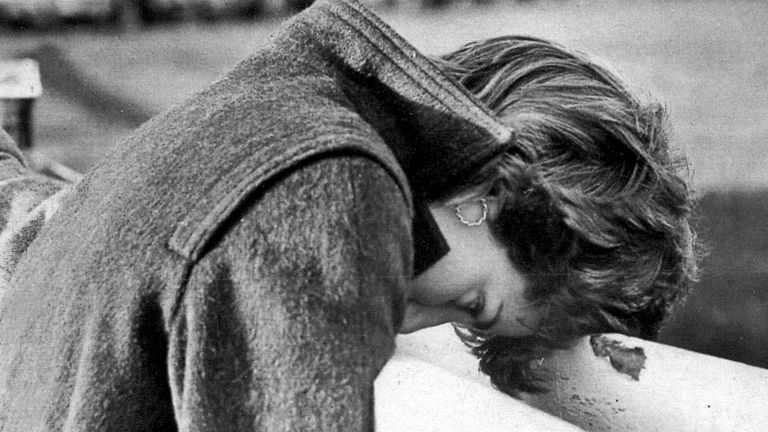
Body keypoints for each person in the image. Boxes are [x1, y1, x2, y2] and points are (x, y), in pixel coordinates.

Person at [0, 0, 697, 430]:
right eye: (471, 303)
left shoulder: (295, 103)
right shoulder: (329, 192)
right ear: (486, 194)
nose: (415, 320)